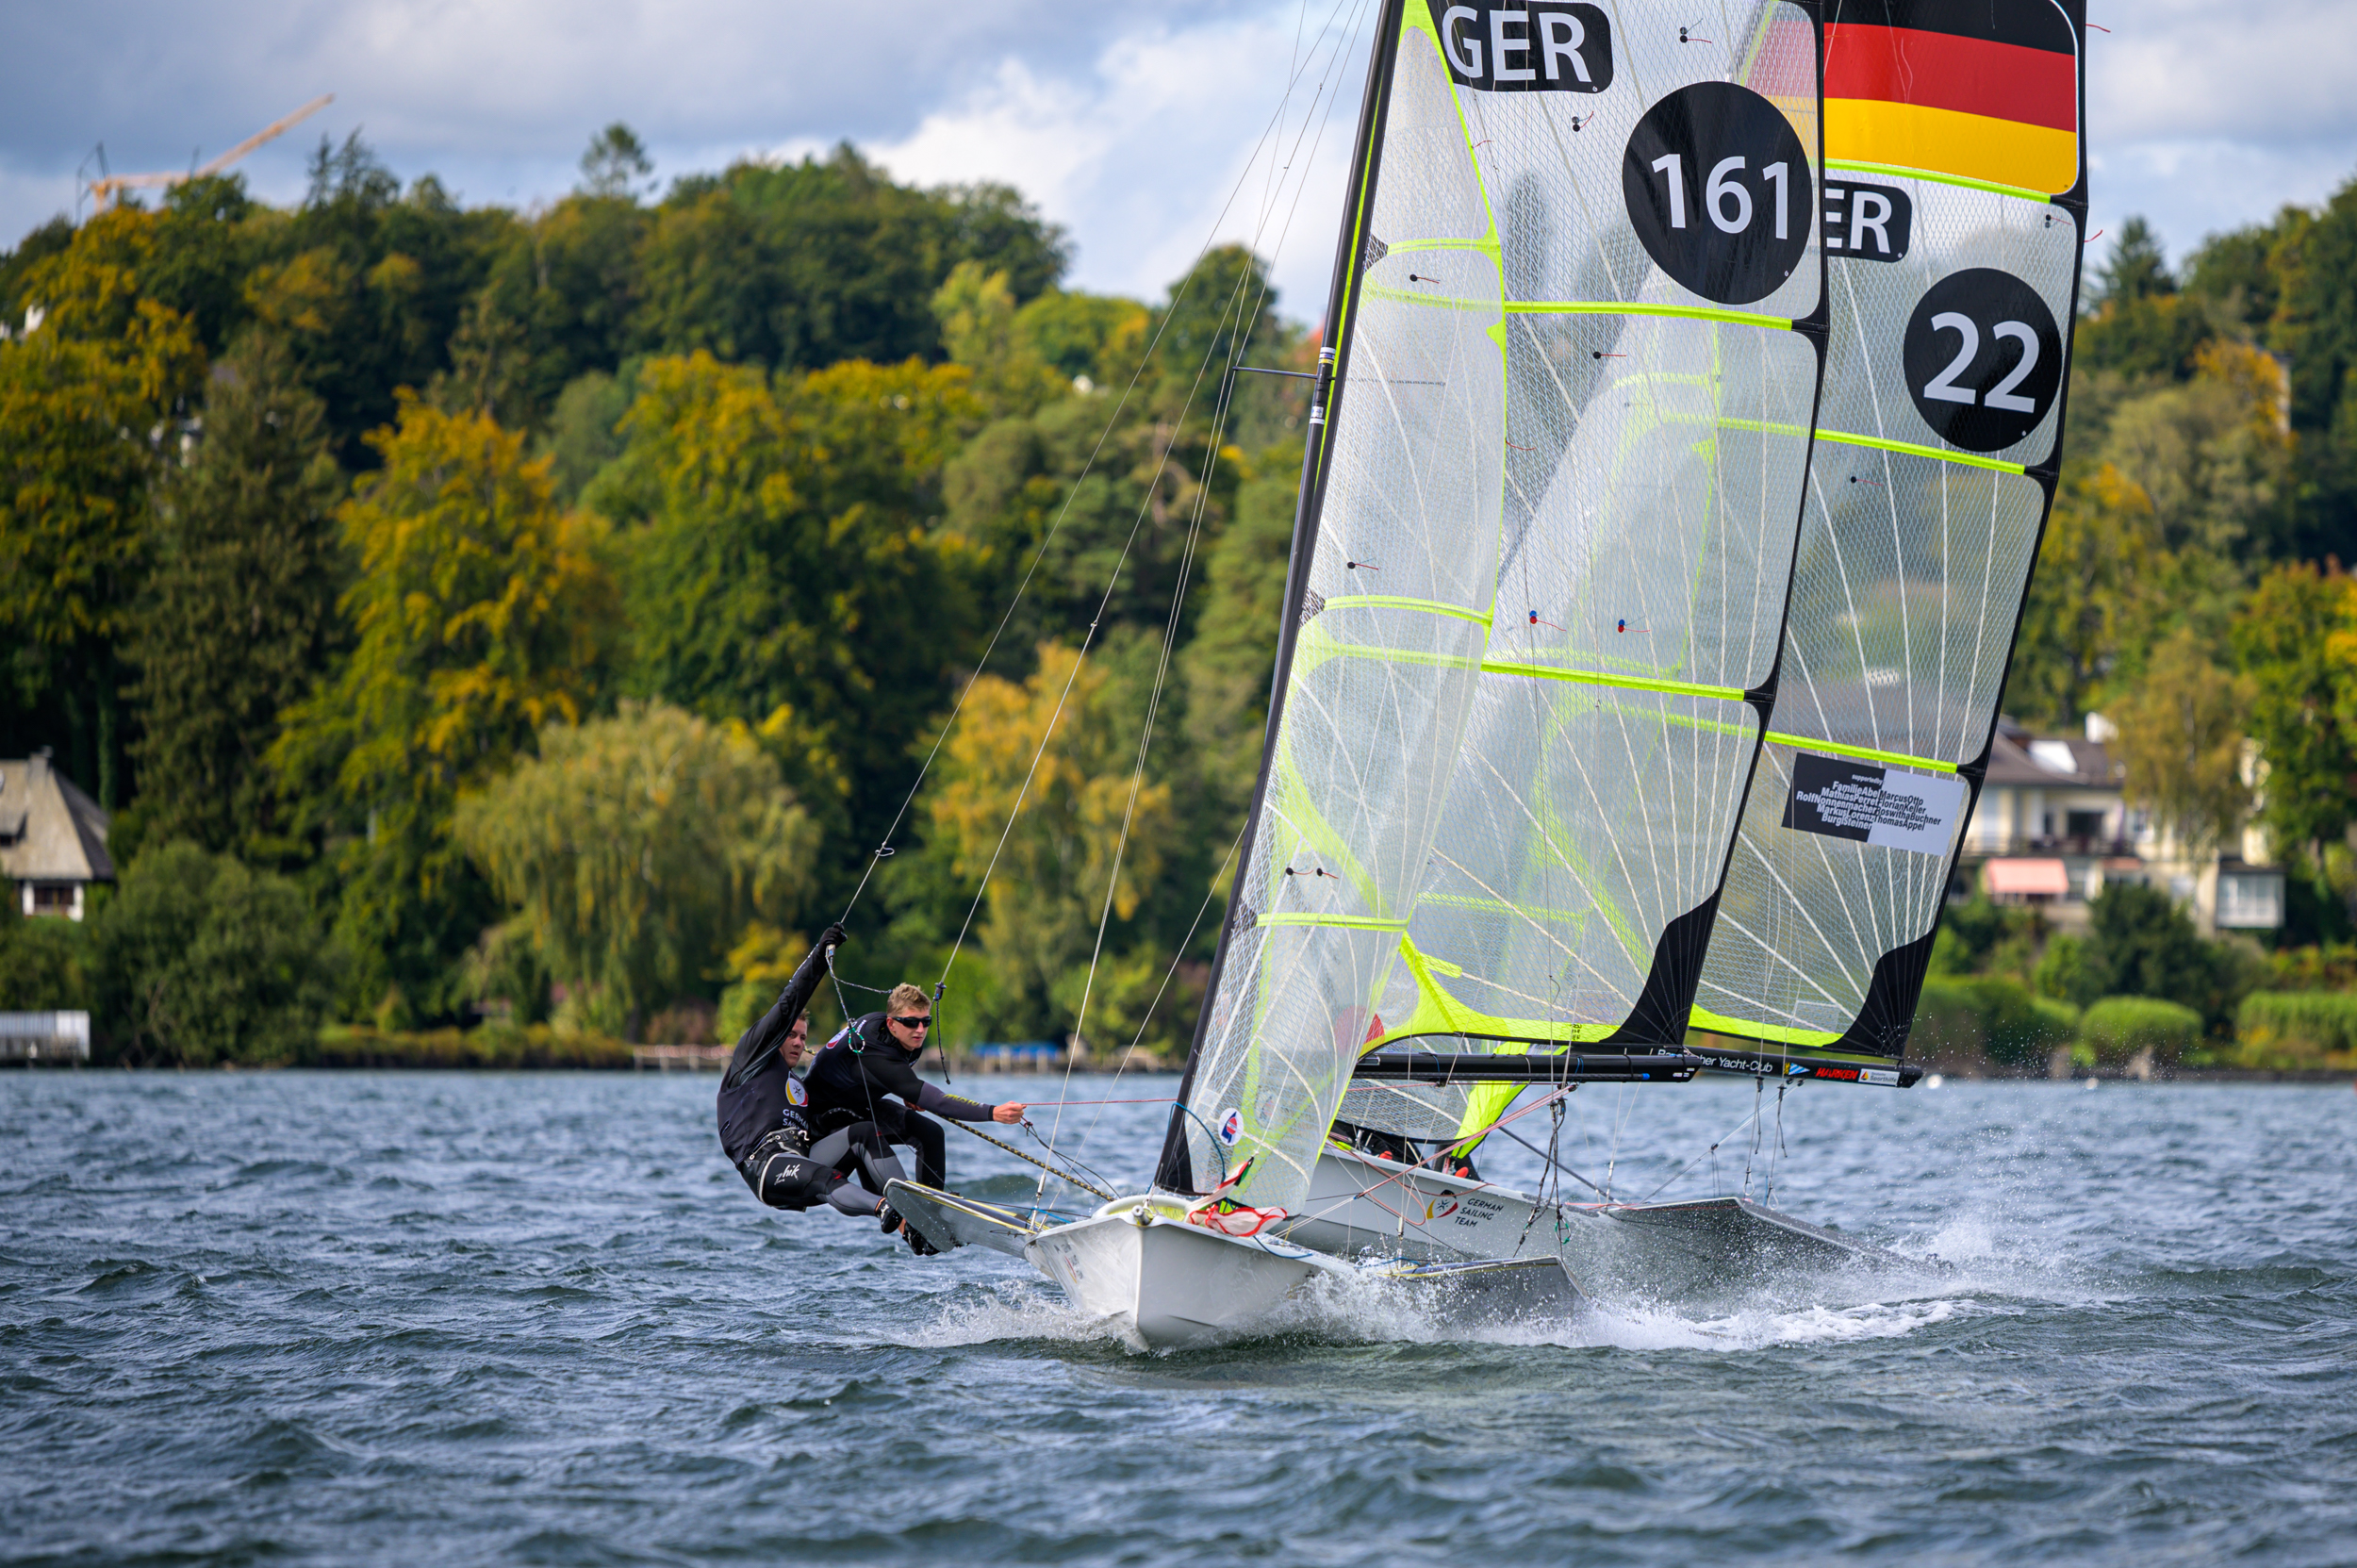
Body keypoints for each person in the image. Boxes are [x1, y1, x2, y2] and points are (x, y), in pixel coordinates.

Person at [715, 925, 915, 1235]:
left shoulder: (798, 1086)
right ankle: (884, 1208)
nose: (798, 1042)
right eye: (791, 1035)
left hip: (804, 1158)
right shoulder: (752, 1058)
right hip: (766, 1166)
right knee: (825, 1178)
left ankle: (911, 1222)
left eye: (803, 1037)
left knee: (862, 1132)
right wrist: (821, 955)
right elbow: (789, 1002)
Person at [803, 982, 1026, 1192]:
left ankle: (934, 1205)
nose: (920, 1029)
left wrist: (905, 1087)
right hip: (823, 1121)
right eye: (911, 1022)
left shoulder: (890, 1030)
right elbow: (938, 1102)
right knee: (870, 1135)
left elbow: (883, 1073)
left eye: (925, 1021)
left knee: (931, 1133)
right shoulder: (875, 1054)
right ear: (891, 1024)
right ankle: (895, 1206)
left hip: (857, 1106)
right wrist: (993, 1112)